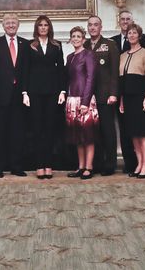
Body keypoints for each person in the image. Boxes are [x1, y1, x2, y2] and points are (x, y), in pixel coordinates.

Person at [0, 13, 30, 178]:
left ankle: (16, 166)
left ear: (18, 25)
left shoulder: (25, 44)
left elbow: (27, 71)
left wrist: (26, 92)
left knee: (17, 132)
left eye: (14, 23)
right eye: (8, 23)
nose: (11, 25)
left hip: (19, 97)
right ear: (3, 26)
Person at [23, 15, 66, 179]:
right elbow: (25, 69)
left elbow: (61, 69)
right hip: (34, 92)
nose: (43, 27)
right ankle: (39, 165)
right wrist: (24, 92)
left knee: (49, 129)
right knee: (37, 129)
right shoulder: (29, 45)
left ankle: (49, 165)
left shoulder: (57, 45)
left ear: (49, 27)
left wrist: (62, 91)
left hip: (52, 92)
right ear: (36, 28)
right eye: (40, 25)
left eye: (45, 25)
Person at [109, 10, 145, 174]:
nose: (125, 21)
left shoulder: (144, 41)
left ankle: (142, 164)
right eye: (122, 19)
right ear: (119, 21)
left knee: (140, 129)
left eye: (128, 19)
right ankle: (130, 163)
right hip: (122, 92)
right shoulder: (114, 41)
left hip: (139, 92)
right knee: (126, 130)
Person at [84, 16, 120, 176]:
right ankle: (96, 163)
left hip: (105, 95)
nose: (92, 27)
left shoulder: (109, 45)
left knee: (108, 130)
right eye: (90, 25)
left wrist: (113, 93)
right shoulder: (84, 45)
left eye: (95, 25)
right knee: (93, 131)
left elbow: (114, 72)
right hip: (88, 97)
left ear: (101, 27)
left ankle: (110, 164)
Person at [119, 23, 145, 179]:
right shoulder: (123, 55)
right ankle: (139, 163)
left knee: (144, 132)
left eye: (134, 33)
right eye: (129, 33)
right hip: (127, 98)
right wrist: (121, 100)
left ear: (139, 36)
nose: (131, 35)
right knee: (133, 133)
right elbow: (121, 81)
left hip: (141, 97)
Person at [63, 26, 97, 179]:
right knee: (77, 136)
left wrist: (85, 101)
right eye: (73, 36)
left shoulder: (88, 55)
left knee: (88, 135)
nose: (76, 38)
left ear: (84, 39)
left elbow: (91, 79)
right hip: (72, 100)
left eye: (78, 36)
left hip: (85, 100)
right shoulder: (69, 57)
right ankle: (80, 166)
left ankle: (89, 167)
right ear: (70, 39)